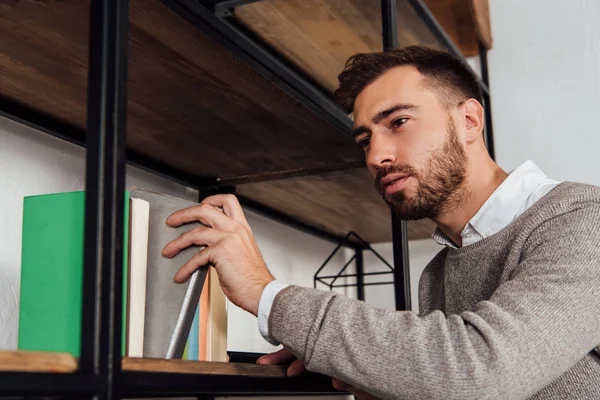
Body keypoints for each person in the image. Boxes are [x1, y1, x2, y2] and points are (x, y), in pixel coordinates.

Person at [161, 46, 600, 399]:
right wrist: (379, 376)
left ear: (468, 120)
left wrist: (266, 294)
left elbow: (481, 370)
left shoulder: (583, 218)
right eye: (366, 139)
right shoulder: (441, 270)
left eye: (399, 122)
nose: (375, 156)